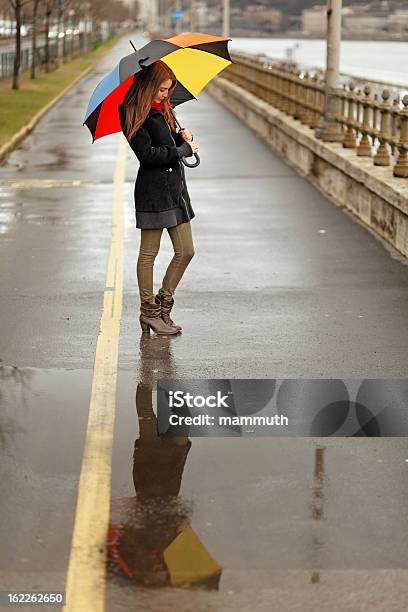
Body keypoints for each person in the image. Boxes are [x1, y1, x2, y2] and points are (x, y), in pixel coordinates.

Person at [118, 60, 199, 336]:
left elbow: (167, 144)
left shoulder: (163, 110)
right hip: (152, 191)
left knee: (186, 250)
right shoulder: (130, 112)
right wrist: (182, 151)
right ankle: (148, 313)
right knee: (148, 255)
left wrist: (180, 137)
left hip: (175, 189)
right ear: (149, 85)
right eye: (163, 89)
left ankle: (164, 305)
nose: (166, 94)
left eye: (169, 89)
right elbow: (148, 155)